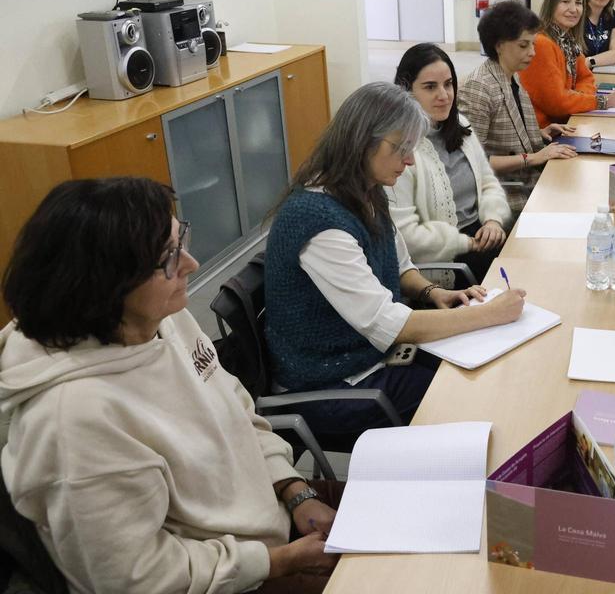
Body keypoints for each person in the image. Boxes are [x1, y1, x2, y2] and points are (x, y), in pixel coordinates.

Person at [0, 177, 342, 593]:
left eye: (181, 240)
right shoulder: (73, 420)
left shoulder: (162, 317)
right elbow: (138, 578)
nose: (191, 264)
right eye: (168, 257)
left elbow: (236, 409)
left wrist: (293, 489)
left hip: (272, 521)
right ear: (105, 284)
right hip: (235, 576)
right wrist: (278, 562)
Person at [265, 82, 526, 437]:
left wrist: (433, 292)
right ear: (361, 141)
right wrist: (489, 314)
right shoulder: (318, 221)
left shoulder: (366, 190)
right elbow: (388, 324)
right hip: (332, 382)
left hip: (369, 356)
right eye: (400, 148)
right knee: (468, 393)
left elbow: (399, 264)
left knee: (482, 368)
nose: (409, 160)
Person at [391, 43, 513, 283]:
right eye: (430, 87)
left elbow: (489, 183)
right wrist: (467, 243)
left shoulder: (461, 125)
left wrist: (493, 220)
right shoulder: (399, 150)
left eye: (448, 84)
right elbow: (405, 236)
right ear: (406, 91)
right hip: (449, 259)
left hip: (484, 235)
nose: (444, 95)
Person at [460, 0, 579, 213]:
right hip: (506, 194)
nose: (532, 52)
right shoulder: (478, 87)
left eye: (533, 44)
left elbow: (504, 130)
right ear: (499, 45)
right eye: (524, 45)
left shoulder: (512, 75)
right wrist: (533, 157)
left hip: (527, 181)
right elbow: (470, 161)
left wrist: (539, 132)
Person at [522, 0, 615, 127]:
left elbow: (586, 78)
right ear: (551, 4)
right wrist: (603, 101)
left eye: (579, 3)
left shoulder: (568, 41)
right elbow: (558, 103)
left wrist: (577, 98)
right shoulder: (541, 43)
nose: (574, 9)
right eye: (565, 1)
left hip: (567, 121)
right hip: (545, 131)